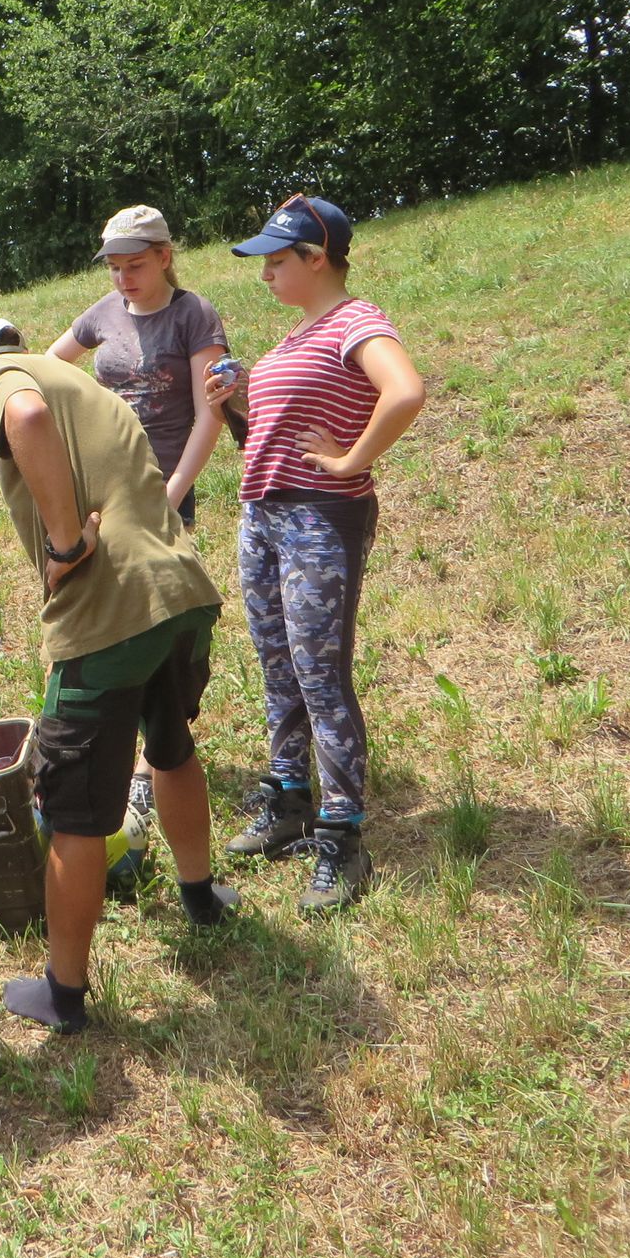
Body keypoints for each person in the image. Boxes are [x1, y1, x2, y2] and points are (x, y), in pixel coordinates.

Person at [0, 319, 231, 1035]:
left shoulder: (1, 377)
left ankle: (63, 993)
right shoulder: (76, 381)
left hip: (110, 614)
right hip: (179, 593)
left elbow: (24, 417)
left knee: (72, 810)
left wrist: (65, 542)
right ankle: (200, 898)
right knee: (171, 749)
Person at [209, 195, 425, 910]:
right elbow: (273, 433)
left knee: (319, 677)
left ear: (317, 257)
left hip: (318, 518)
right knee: (280, 669)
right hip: (264, 517)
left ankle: (341, 837)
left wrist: (351, 459)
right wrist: (237, 400)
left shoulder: (356, 321)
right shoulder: (298, 334)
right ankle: (289, 798)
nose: (265, 274)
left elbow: (405, 391)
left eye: (277, 261)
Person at [48, 204, 230, 821]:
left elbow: (210, 413)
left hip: (164, 487)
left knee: (159, 616)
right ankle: (112, 750)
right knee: (107, 613)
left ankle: (153, 766)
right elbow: (47, 371)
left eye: (135, 266)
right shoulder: (102, 314)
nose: (123, 278)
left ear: (164, 257)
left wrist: (173, 492)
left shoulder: (193, 315)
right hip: (102, 491)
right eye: (115, 268)